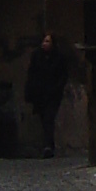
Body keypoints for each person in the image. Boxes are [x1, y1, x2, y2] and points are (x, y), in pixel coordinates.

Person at [25, 30, 68, 159]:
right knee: (44, 119)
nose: (45, 44)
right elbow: (31, 74)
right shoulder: (37, 56)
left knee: (49, 118)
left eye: (48, 41)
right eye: (44, 41)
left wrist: (57, 88)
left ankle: (48, 145)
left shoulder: (59, 57)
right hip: (40, 94)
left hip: (53, 93)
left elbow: (62, 75)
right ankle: (48, 144)